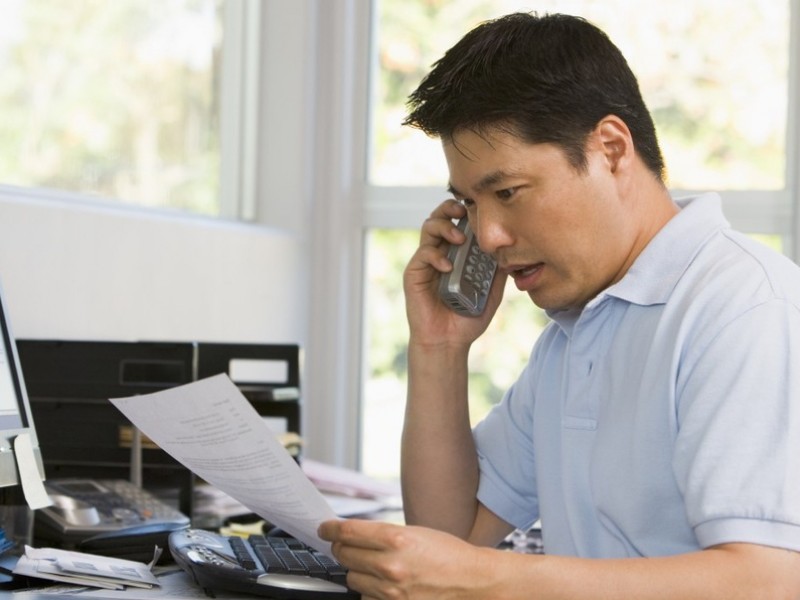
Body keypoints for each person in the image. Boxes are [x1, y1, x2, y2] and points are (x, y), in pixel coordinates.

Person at [319, 12, 800, 599]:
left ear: (611, 150)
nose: (488, 235)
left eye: (507, 193)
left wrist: (490, 579)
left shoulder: (745, 308)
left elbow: (772, 582)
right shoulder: (573, 337)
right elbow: (450, 535)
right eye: (469, 203)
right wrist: (438, 347)